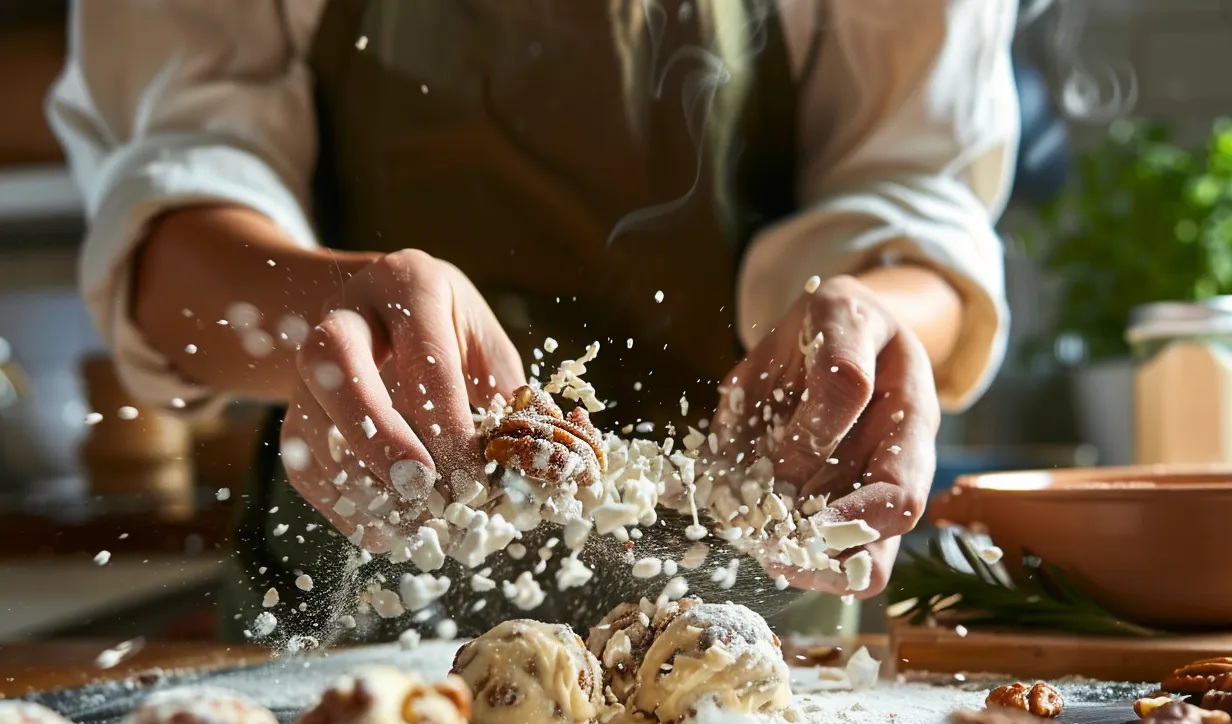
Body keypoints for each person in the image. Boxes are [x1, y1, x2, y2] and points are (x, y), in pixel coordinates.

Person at [49, 0, 1019, 639]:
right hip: (356, 597)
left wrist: (873, 319)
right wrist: (318, 303)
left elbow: (914, 189)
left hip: (754, 623)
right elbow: (168, 194)